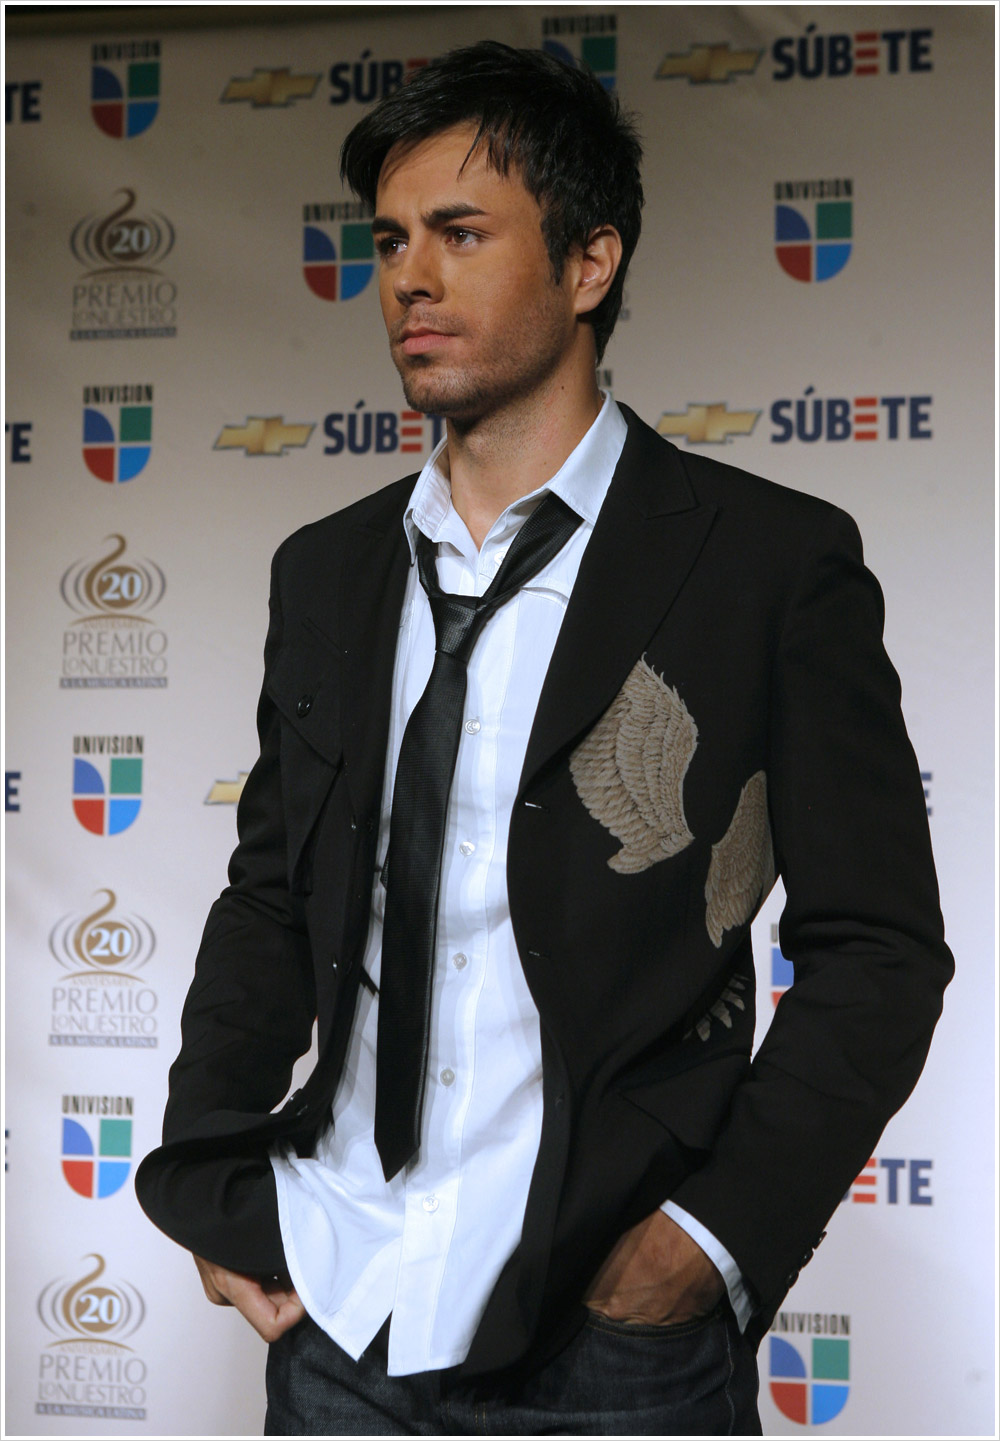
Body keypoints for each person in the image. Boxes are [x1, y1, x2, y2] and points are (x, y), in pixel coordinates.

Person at [136, 41, 953, 1436]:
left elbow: (879, 949)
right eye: (390, 240)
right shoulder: (324, 572)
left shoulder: (767, 565)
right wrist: (213, 1174)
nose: (410, 278)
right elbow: (270, 896)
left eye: (461, 234)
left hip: (613, 1337)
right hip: (343, 1303)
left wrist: (709, 1239)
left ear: (589, 263)